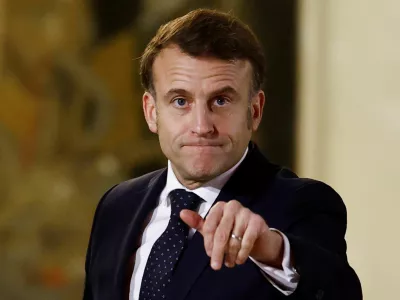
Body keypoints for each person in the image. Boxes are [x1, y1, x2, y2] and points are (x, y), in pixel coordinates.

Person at [83, 8, 362, 300]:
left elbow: (338, 291)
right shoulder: (116, 206)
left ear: (254, 112)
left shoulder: (304, 205)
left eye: (220, 100)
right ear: (151, 113)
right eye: (180, 101)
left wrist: (272, 249)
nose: (202, 126)